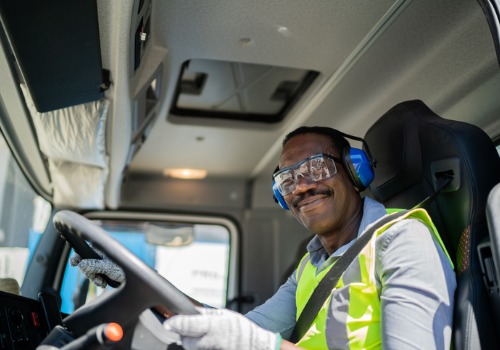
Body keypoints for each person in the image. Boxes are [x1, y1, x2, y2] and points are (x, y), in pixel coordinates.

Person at [72, 126, 457, 350]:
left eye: (317, 168)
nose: (301, 187)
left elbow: (253, 341)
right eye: (287, 180)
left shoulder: (404, 239)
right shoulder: (311, 265)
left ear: (355, 173)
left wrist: (262, 346)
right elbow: (244, 328)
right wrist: (142, 292)